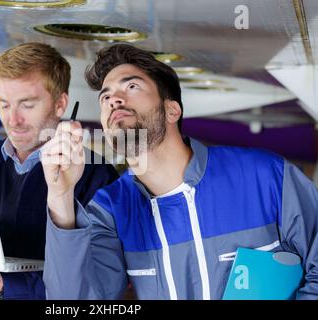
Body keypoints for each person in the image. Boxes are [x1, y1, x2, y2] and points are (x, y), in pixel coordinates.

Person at [41, 44, 318, 300]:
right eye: (106, 97)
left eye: (132, 86)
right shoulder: (111, 210)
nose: (114, 100)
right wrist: (60, 196)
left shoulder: (265, 176)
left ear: (172, 110)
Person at [0, 43, 119, 300]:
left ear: (60, 104)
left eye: (27, 105)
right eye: (4, 105)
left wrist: (3, 285)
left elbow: (98, 289)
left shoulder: (97, 175)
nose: (13, 120)